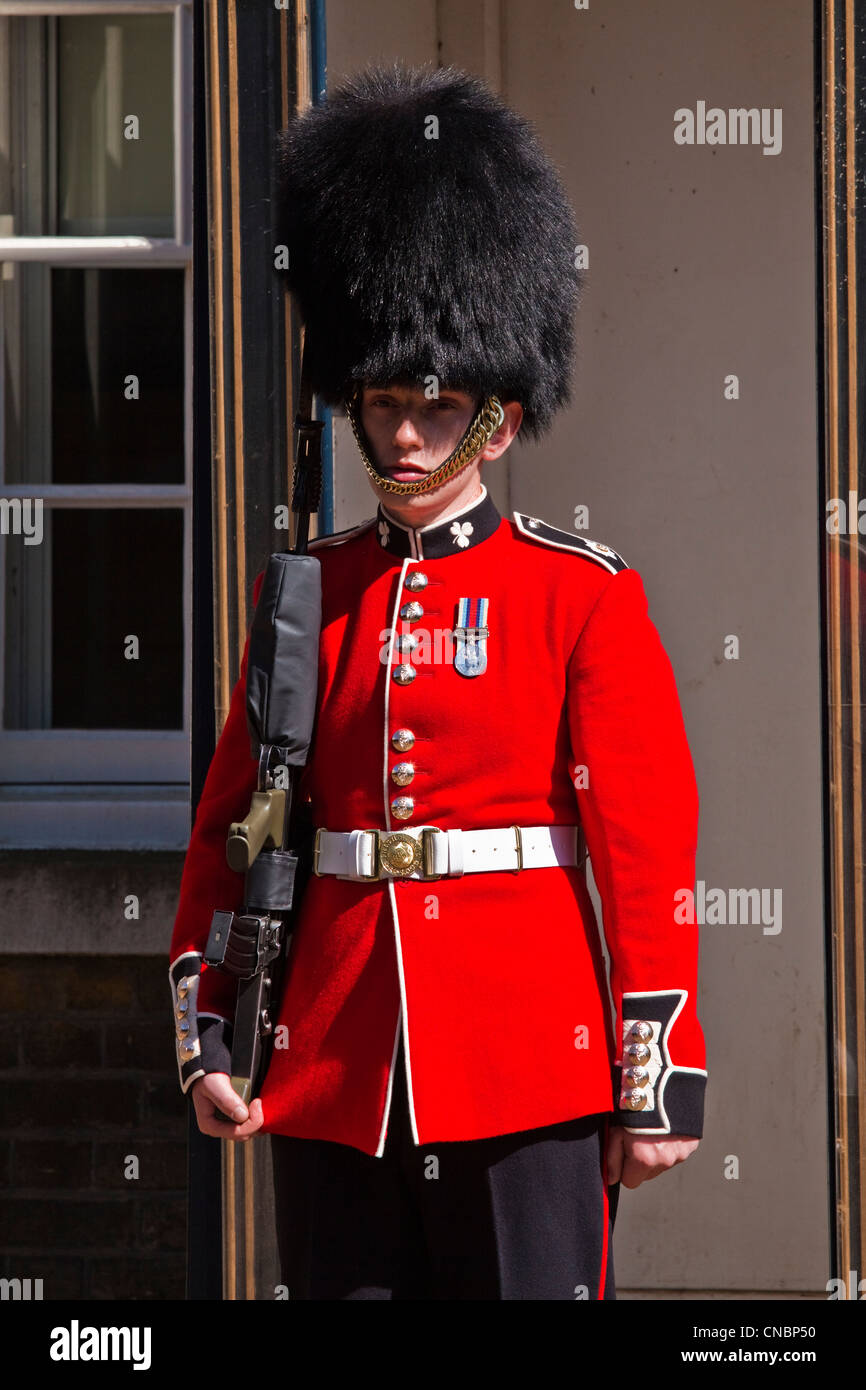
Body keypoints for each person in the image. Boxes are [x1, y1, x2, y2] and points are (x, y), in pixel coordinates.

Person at [168, 62, 707, 1300]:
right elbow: (234, 826)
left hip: (529, 1063)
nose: (403, 436)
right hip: (335, 1063)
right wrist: (210, 1032)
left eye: (435, 405)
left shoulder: (579, 593)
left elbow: (638, 847)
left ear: (495, 421)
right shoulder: (305, 592)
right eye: (382, 403)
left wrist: (654, 1072)